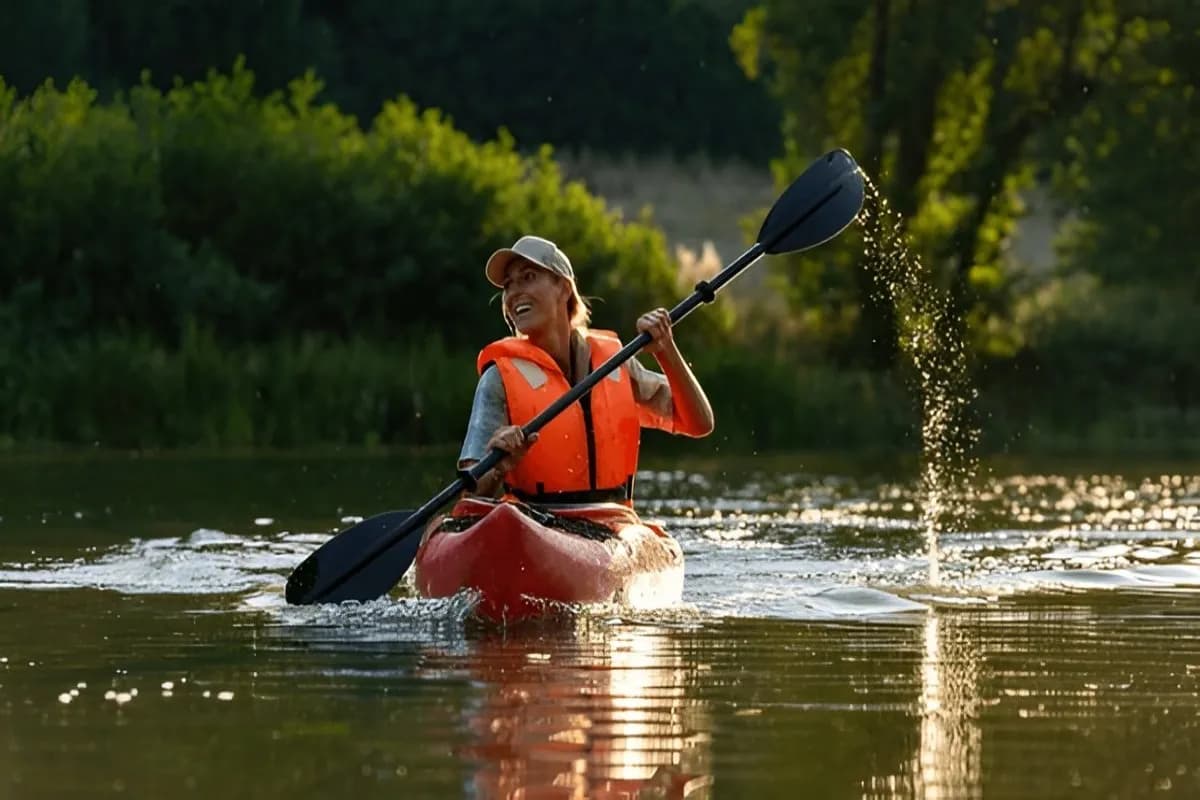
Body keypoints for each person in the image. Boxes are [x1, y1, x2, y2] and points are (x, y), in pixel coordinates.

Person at [459, 235, 714, 504]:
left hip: (613, 522)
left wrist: (666, 350)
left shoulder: (614, 363)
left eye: (529, 277)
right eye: (508, 285)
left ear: (563, 288)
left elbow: (699, 423)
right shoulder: (499, 377)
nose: (514, 293)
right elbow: (470, 495)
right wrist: (498, 467)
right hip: (535, 522)